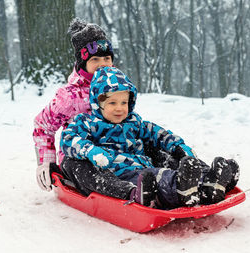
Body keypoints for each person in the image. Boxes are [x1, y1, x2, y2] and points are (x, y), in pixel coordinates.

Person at [60, 66, 240, 208]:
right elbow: (68, 139)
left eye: (124, 102)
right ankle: (182, 189)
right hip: (119, 174)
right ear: (97, 103)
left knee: (170, 162)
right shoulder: (87, 122)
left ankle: (209, 182)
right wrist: (91, 151)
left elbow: (157, 133)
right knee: (160, 177)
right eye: (112, 103)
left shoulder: (134, 121)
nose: (119, 108)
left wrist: (177, 146)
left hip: (142, 165)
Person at [33, 17, 115, 192]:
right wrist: (47, 162)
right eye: (95, 60)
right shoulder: (70, 97)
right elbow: (43, 126)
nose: (102, 65)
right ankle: (126, 190)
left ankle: (174, 181)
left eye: (106, 58)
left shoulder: (118, 89)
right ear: (83, 63)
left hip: (115, 154)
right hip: (78, 158)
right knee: (87, 170)